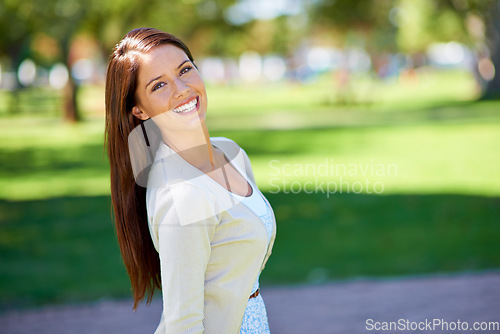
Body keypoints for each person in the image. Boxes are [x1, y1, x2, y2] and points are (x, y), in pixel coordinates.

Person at [104, 27, 276, 333]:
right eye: (159, 86)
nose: (182, 89)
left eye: (185, 69)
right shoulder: (182, 196)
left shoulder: (230, 152)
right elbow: (183, 323)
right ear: (139, 110)